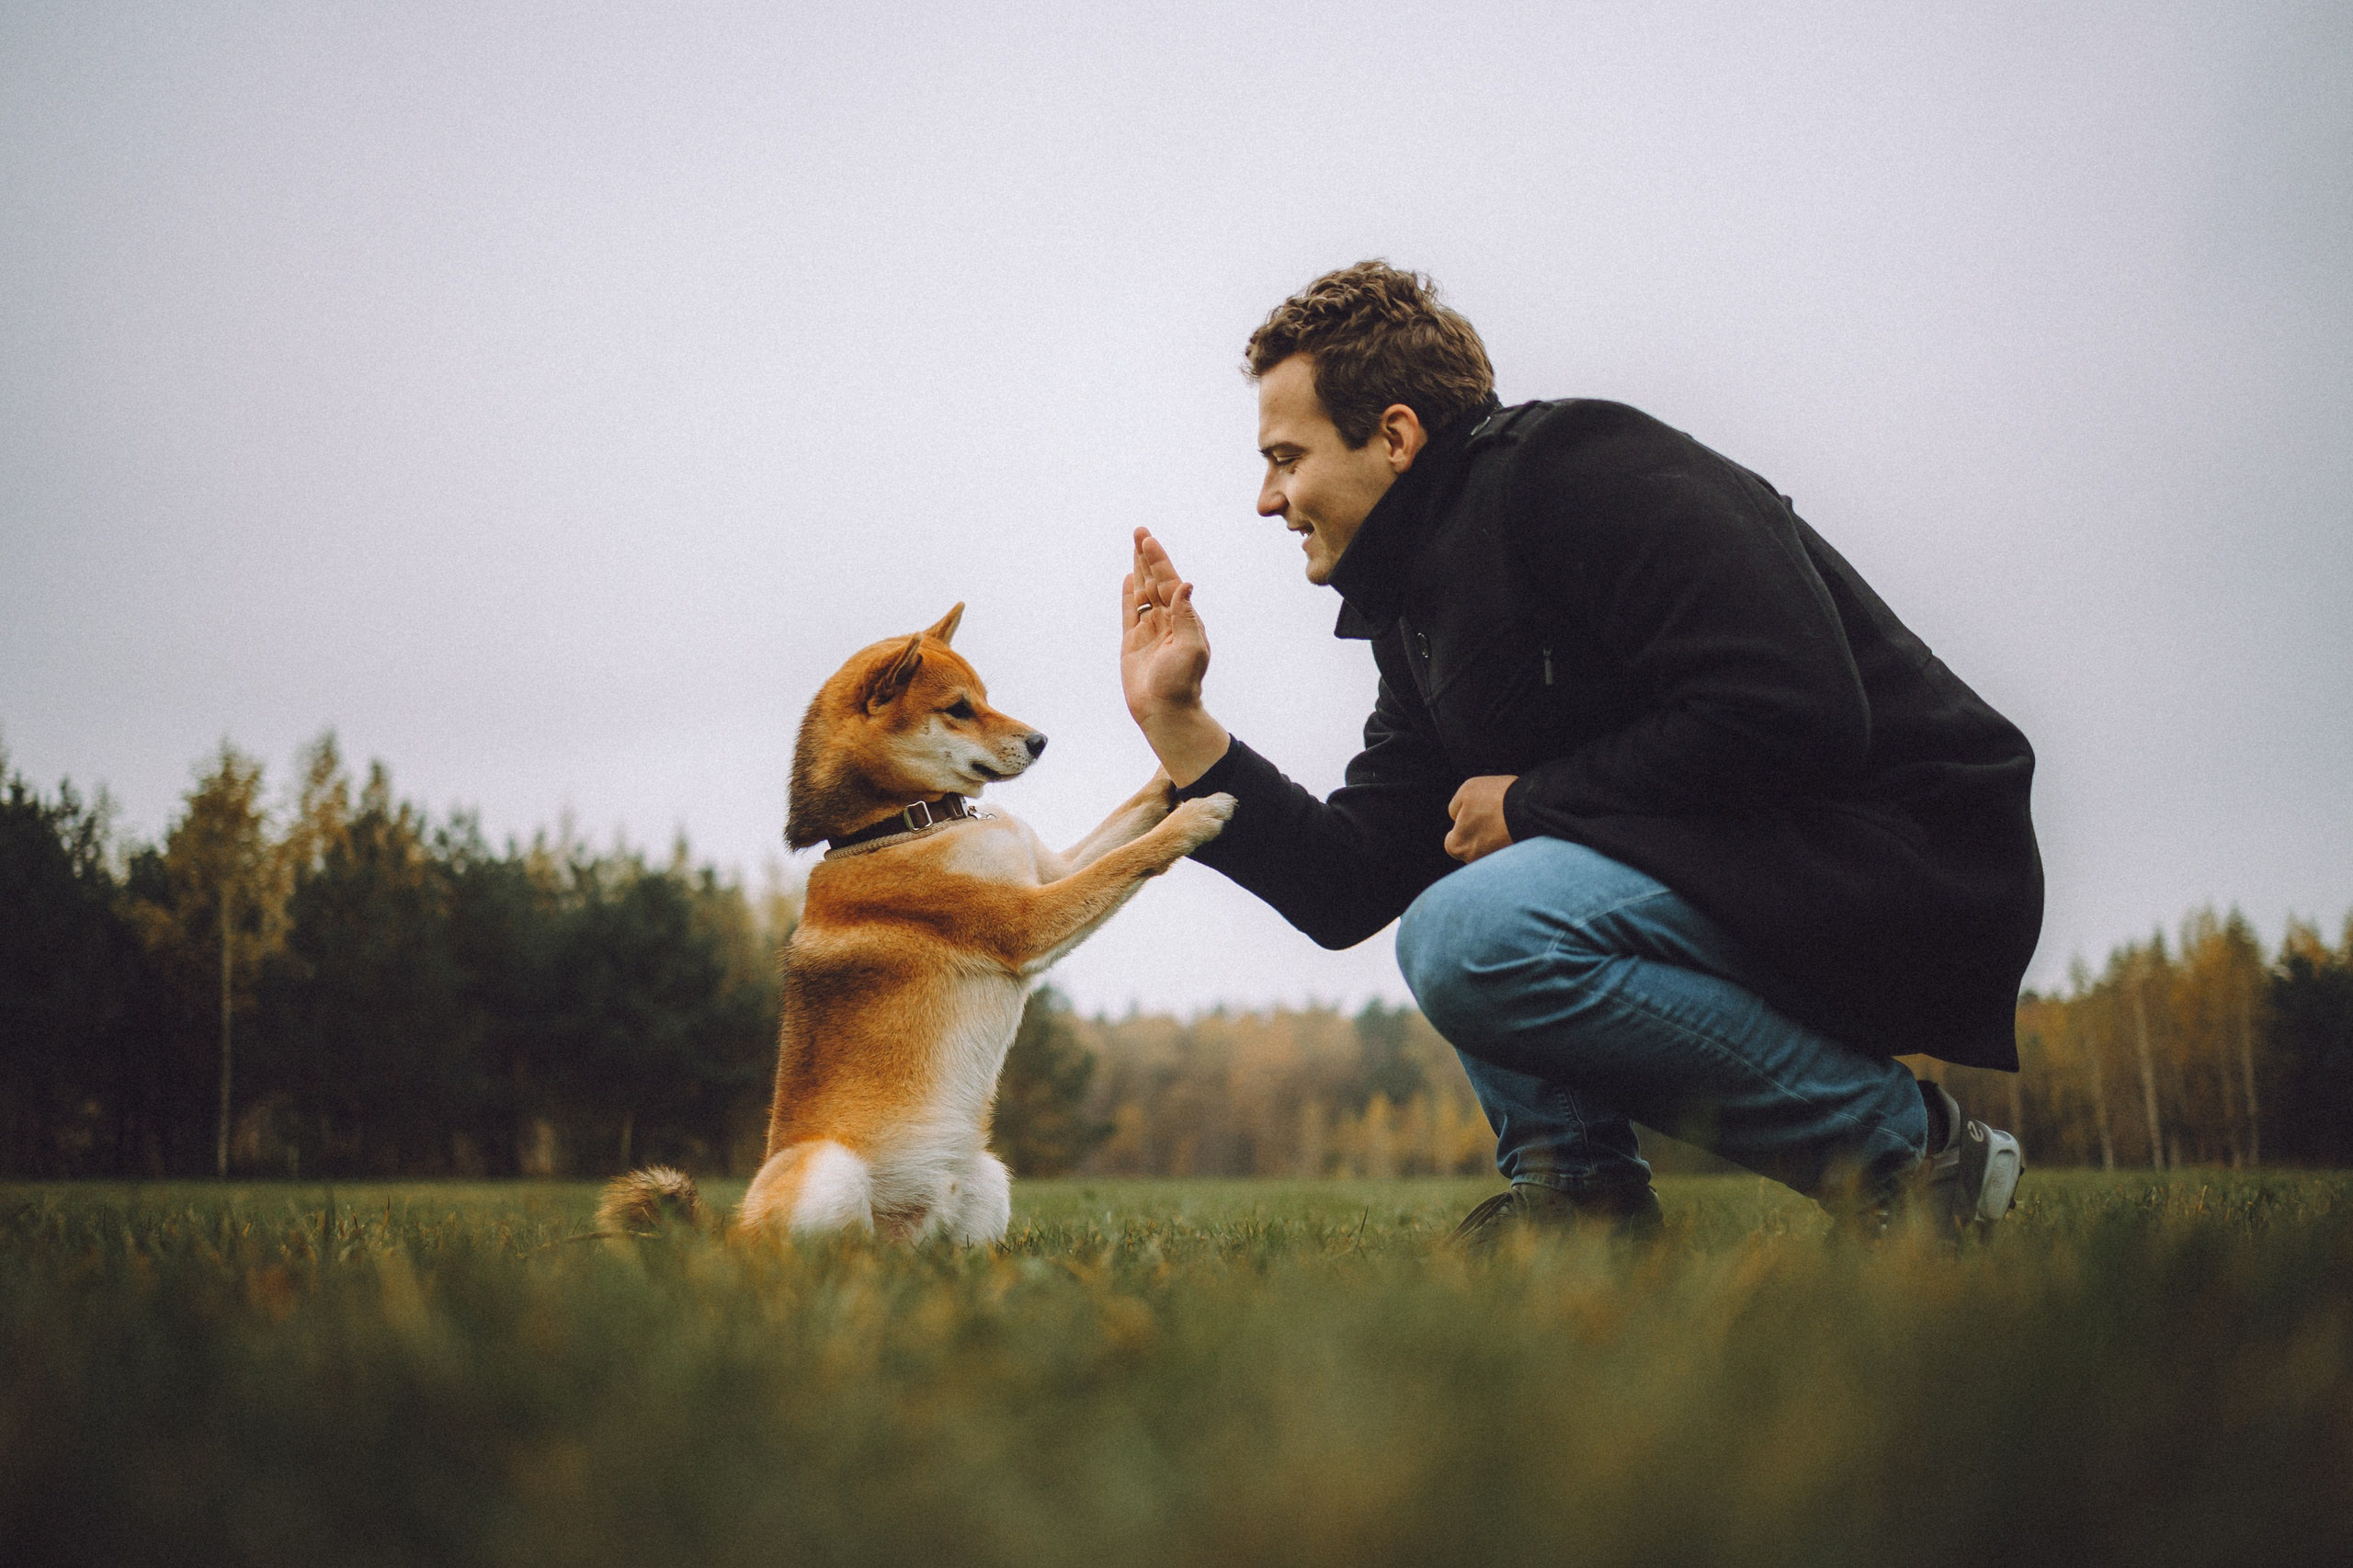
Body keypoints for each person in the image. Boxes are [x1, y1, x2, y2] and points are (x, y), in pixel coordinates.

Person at [1118, 260, 2039, 1242]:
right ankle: (1581, 1205)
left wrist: (1530, 804)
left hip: (1905, 854)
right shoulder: (1420, 616)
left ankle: (1910, 1158)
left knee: (1467, 932)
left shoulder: (1580, 468)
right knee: (1456, 908)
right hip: (1763, 864)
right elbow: (1348, 884)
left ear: (1393, 436)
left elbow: (1794, 706)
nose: (1268, 498)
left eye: (1286, 456)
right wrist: (1179, 720)